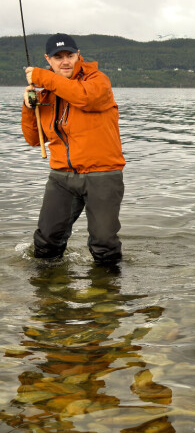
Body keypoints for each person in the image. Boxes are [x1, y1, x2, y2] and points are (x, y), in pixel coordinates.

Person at [22, 33, 125, 265]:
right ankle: (49, 293)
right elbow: (33, 139)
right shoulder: (46, 94)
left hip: (102, 174)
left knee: (104, 245)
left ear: (79, 56)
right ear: (48, 59)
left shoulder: (98, 81)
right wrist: (29, 107)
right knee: (46, 242)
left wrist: (43, 77)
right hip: (61, 177)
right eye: (58, 57)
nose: (65, 61)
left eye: (69, 55)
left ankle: (108, 293)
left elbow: (85, 98)